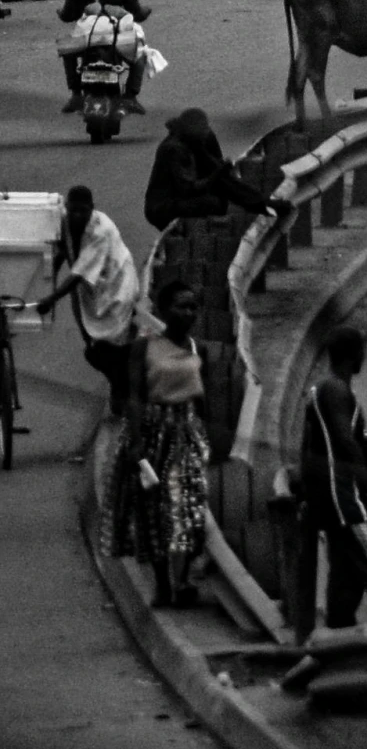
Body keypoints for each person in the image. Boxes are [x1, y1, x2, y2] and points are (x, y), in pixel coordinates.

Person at [110, 278, 210, 608]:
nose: (189, 313)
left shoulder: (198, 349)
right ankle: (164, 582)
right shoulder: (144, 348)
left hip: (187, 434)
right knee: (153, 512)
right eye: (182, 306)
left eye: (193, 306)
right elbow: (135, 396)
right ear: (163, 310)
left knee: (186, 508)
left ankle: (181, 580)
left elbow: (204, 398)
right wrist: (136, 442)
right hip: (153, 434)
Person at [296, 326, 367, 636]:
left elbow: (308, 446)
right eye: (361, 352)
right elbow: (344, 440)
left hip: (332, 500)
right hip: (347, 499)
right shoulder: (336, 390)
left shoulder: (323, 390)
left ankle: (338, 637)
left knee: (346, 574)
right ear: (354, 355)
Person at [38, 185, 140, 415]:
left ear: (92, 209)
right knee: (91, 344)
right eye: (73, 210)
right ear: (66, 208)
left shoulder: (100, 230)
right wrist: (45, 279)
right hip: (89, 285)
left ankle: (120, 386)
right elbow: (64, 251)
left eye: (82, 211)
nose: (77, 216)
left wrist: (52, 298)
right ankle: (117, 380)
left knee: (113, 342)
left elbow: (76, 276)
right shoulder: (63, 222)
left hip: (116, 284)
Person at [144, 108, 286, 231]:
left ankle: (263, 205)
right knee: (212, 203)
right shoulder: (174, 150)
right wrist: (217, 173)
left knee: (224, 189)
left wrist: (262, 203)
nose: (206, 135)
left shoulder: (198, 142)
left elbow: (226, 182)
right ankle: (189, 233)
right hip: (162, 207)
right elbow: (189, 189)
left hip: (183, 194)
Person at [55, 0, 149, 113]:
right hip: (117, 36)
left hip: (86, 37)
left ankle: (75, 94)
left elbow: (68, 15)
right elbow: (137, 12)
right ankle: (130, 97)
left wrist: (61, 12)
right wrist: (145, 11)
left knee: (68, 52)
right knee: (140, 55)